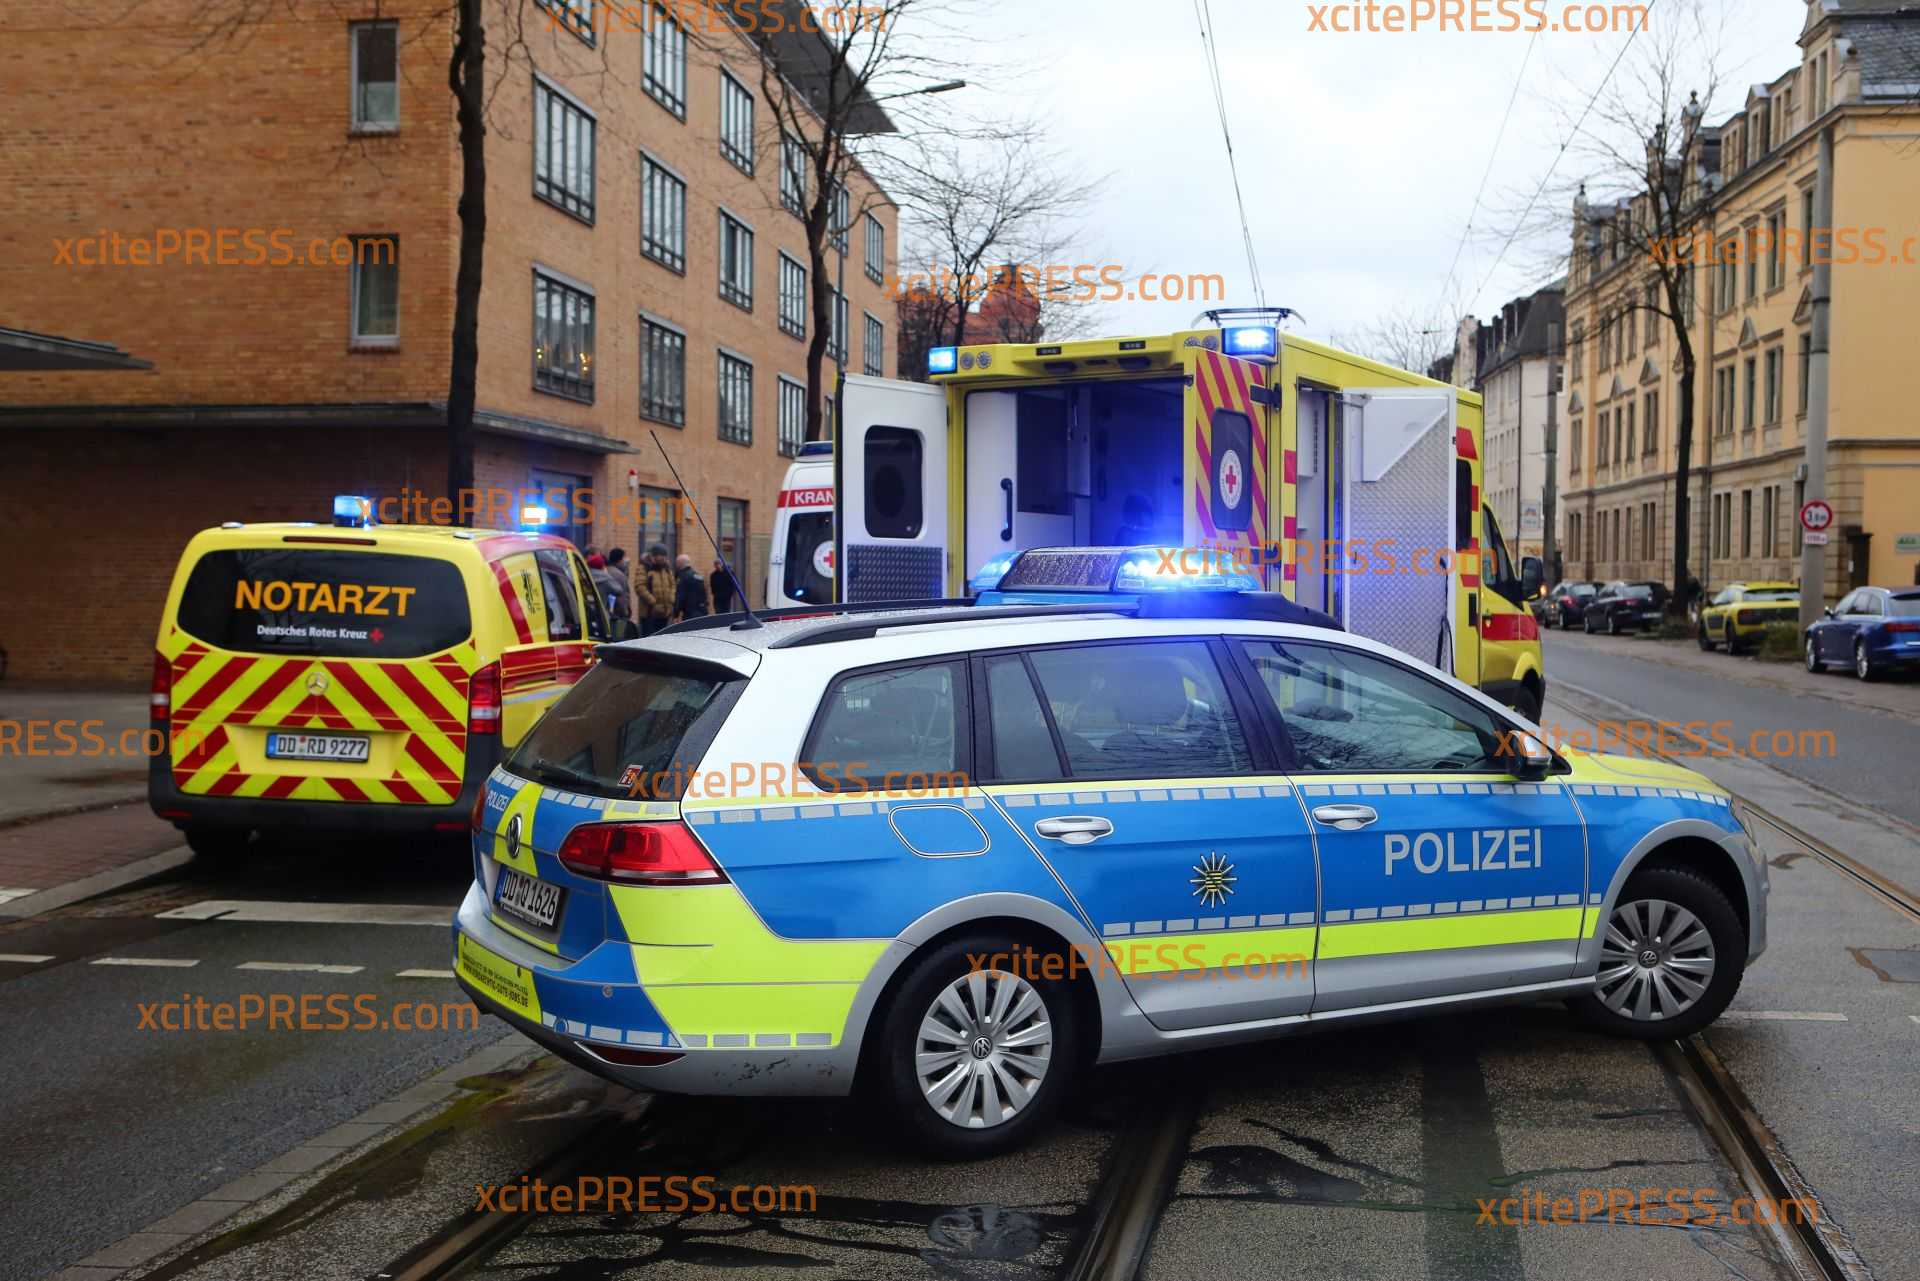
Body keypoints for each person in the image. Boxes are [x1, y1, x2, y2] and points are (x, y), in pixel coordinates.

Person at [636, 545, 676, 636]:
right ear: (654, 556)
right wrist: (653, 602)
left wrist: (671, 598)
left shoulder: (666, 568)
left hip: (665, 612)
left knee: (661, 638)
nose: (665, 558)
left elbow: (673, 585)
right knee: (649, 637)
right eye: (662, 556)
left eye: (665, 556)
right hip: (649, 612)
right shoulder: (644, 567)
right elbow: (640, 587)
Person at [603, 547, 636, 637]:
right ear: (620, 560)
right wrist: (625, 612)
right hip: (617, 616)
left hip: (606, 614)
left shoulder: (605, 571)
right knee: (617, 638)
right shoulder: (619, 576)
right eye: (623, 558)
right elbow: (622, 597)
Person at [672, 553, 710, 622]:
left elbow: (680, 597)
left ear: (680, 563)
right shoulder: (698, 576)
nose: (676, 565)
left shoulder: (682, 577)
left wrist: (676, 614)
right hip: (702, 612)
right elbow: (704, 594)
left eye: (677, 563)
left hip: (689, 614)